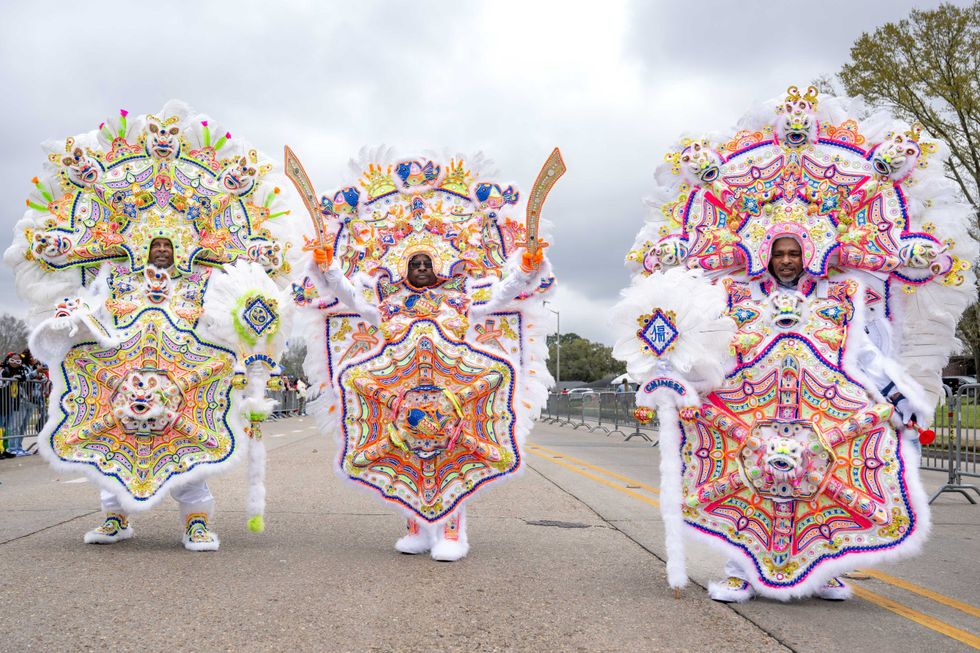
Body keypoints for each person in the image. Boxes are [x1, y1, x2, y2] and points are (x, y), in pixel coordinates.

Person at [615, 86, 970, 603]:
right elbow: (710, 351)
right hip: (747, 409)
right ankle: (740, 570)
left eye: (794, 251)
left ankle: (822, 572)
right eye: (778, 252)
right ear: (765, 253)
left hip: (823, 410)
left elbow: (865, 356)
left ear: (811, 252)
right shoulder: (733, 295)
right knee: (745, 485)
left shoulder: (842, 296)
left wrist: (901, 400)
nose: (786, 260)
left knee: (821, 485)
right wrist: (674, 377)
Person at [10, 101, 297, 550]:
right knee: (112, 441)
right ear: (144, 246)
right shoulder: (116, 276)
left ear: (180, 246)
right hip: (119, 371)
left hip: (186, 369)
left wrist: (248, 337)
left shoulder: (205, 279)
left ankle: (196, 522)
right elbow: (93, 308)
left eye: (168, 244)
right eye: (155, 244)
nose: (161, 250)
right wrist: (72, 318)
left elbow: (226, 318)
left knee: (189, 447)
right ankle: (115, 517)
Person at [293, 150, 560, 562]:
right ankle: (416, 528)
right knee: (405, 454)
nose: (419, 267)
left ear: (437, 266)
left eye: (425, 262)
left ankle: (453, 533)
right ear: (403, 267)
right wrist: (326, 268)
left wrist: (526, 267)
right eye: (413, 262)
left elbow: (505, 292)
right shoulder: (386, 301)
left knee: (452, 454)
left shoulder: (459, 296)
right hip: (399, 393)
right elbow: (346, 294)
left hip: (455, 391)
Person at [0, 352, 31, 457]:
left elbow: (26, 378)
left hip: (12, 404)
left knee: (8, 428)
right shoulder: (4, 370)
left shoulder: (21, 371)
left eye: (18, 361)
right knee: (1, 426)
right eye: (12, 360)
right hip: (2, 403)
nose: (14, 363)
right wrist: (11, 379)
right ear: (8, 360)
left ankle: (5, 449)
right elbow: (1, 384)